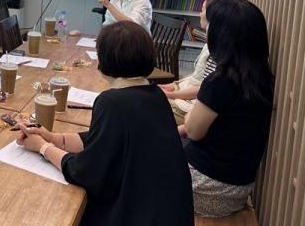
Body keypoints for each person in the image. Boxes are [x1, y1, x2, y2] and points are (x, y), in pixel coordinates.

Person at [17, 21, 194, 226]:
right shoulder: (155, 94)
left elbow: (86, 172)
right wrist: (56, 138)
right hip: (168, 211)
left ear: (106, 60)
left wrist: (43, 147)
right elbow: (106, 140)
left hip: (134, 214)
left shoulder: (112, 101)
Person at [181, 0, 274, 218]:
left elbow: (193, 130)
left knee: (134, 160)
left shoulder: (219, 80)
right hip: (236, 190)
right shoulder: (261, 78)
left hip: (202, 188)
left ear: (221, 36)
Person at [159, 0, 232, 124]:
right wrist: (176, 85)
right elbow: (198, 79)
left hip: (189, 107)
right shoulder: (212, 43)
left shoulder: (218, 50)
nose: (199, 14)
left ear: (212, 15)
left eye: (202, 10)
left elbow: (204, 89)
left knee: (141, 103)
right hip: (186, 98)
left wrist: (172, 94)